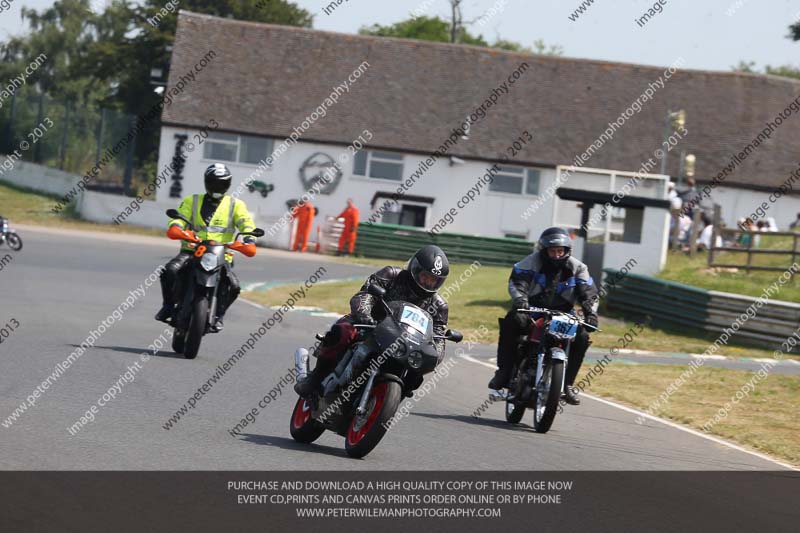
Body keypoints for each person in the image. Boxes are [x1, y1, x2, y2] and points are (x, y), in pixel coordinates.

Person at [294, 245, 450, 398]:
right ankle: (314, 378)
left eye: (433, 280)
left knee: (417, 372)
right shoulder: (392, 275)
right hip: (370, 326)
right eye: (425, 276)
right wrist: (365, 315)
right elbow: (364, 295)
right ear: (415, 269)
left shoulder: (439, 305)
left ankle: (390, 399)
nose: (428, 283)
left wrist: (435, 354)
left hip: (405, 344)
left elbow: (438, 335)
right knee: (343, 331)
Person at [488, 227, 598, 405]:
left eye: (560, 251)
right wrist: (521, 301)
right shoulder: (531, 262)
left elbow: (589, 293)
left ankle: (567, 384)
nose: (556, 255)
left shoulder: (578, 268)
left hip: (564, 313)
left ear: (567, 251)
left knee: (583, 336)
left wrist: (591, 315)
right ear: (544, 250)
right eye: (552, 251)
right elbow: (517, 282)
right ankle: (504, 372)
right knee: (512, 321)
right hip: (532, 309)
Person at [155, 163, 256, 332]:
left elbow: (247, 224)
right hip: (191, 251)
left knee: (234, 286)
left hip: (222, 255)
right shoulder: (191, 201)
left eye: (221, 183)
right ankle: (168, 306)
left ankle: (219, 316)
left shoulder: (236, 205)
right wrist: (177, 229)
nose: (217, 187)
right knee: (170, 270)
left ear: (228, 185)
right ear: (206, 182)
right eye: (213, 182)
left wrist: (249, 240)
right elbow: (178, 219)